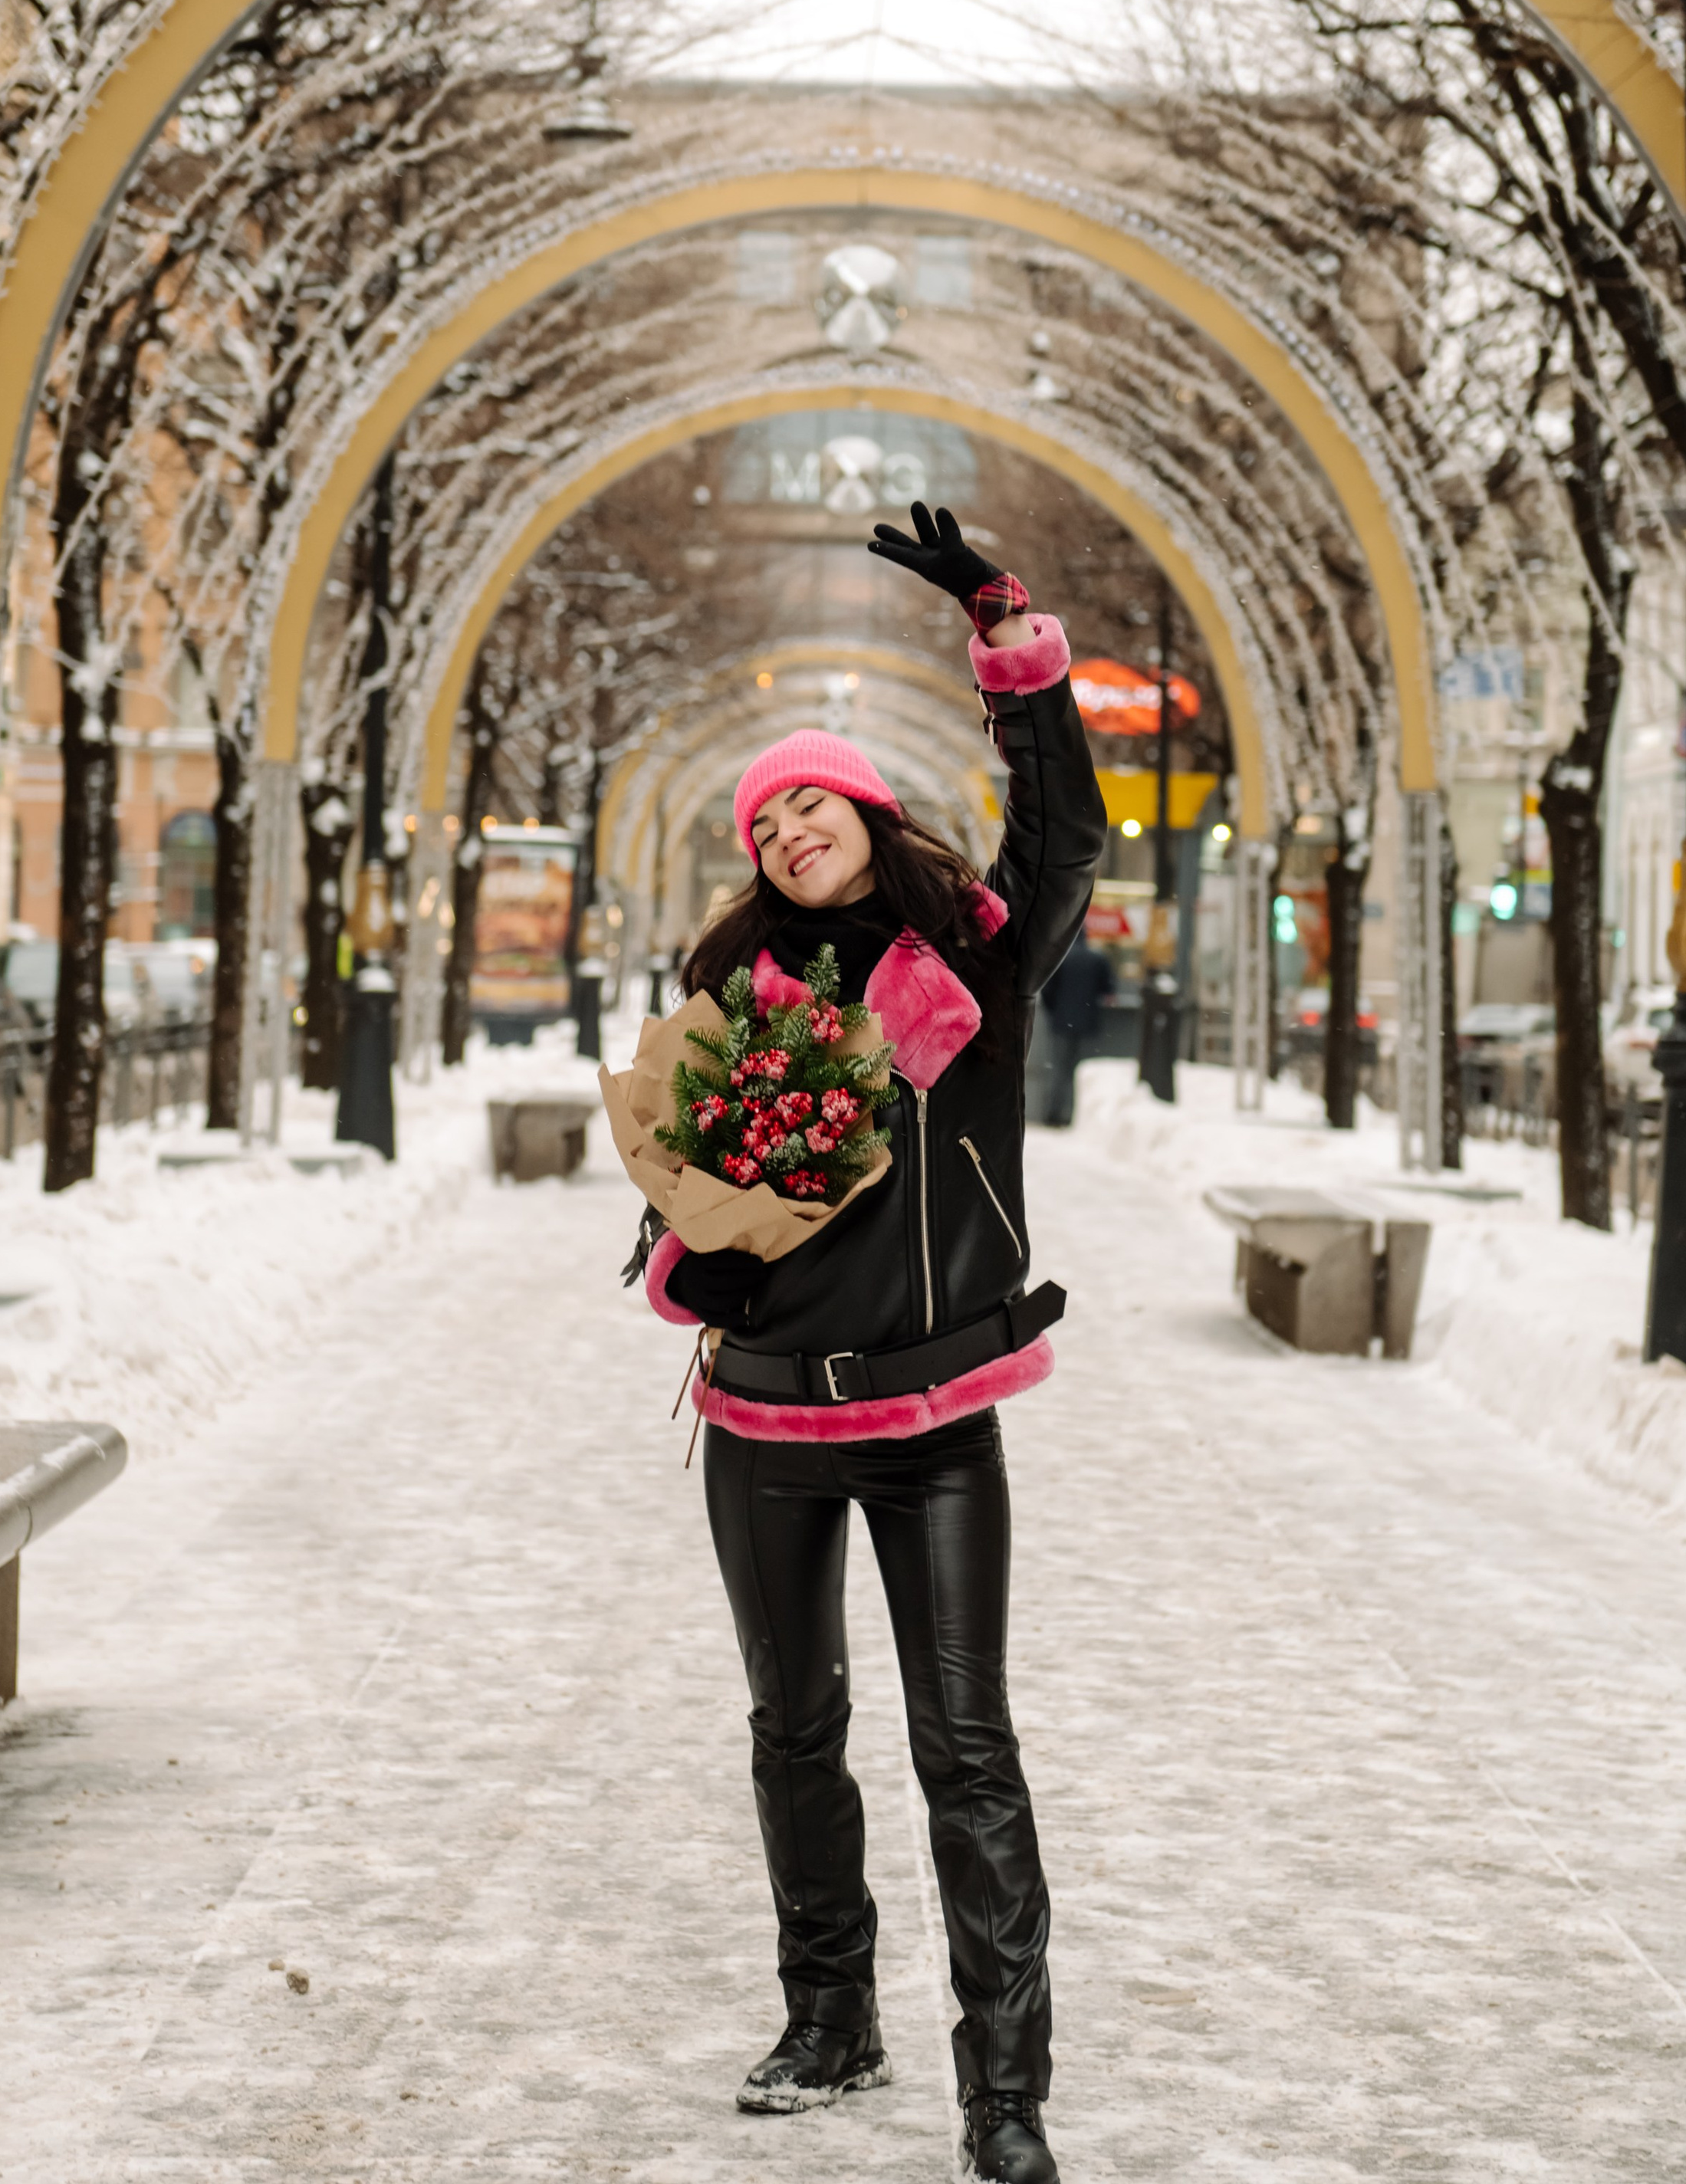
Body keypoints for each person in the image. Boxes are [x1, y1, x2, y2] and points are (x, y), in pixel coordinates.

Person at [633, 505, 1103, 2184]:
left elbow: (1064, 838)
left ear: (868, 813)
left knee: (964, 1744)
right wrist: (698, 1276)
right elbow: (674, 1198)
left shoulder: (964, 964)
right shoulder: (726, 994)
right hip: (762, 1425)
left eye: (813, 800)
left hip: (933, 1419)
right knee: (793, 1728)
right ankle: (830, 2014)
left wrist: (1003, 636)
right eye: (767, 819)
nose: (790, 831)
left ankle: (1004, 2091)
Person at [1036, 926, 1115, 1128]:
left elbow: (1047, 991)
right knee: (1080, 1072)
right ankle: (1074, 1116)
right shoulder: (1097, 959)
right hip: (1088, 1025)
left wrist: (1056, 1011)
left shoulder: (1061, 959)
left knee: (1059, 1069)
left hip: (1062, 1023)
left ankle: (1055, 1114)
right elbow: (1108, 989)